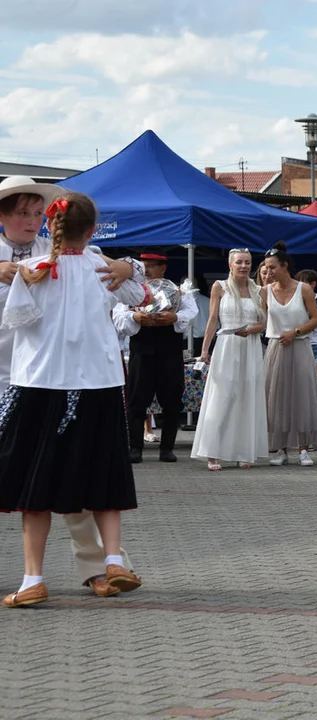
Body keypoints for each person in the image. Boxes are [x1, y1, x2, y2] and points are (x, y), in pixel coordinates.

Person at [0, 192, 145, 607]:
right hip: (98, 383)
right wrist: (127, 267)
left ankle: (33, 579)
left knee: (35, 484)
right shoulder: (102, 265)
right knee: (104, 473)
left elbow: (19, 321)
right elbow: (139, 297)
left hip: (41, 383)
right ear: (93, 230)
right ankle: (113, 560)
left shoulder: (33, 269)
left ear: (50, 225)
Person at [114, 252, 197, 463]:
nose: (147, 270)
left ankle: (167, 448)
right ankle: (135, 447)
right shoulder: (133, 288)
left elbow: (191, 311)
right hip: (141, 350)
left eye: (152, 266)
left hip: (169, 351)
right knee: (136, 401)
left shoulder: (176, 290)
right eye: (145, 265)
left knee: (171, 401)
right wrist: (135, 316)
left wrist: (175, 317)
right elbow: (118, 315)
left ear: (163, 268)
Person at [191, 249, 269, 470]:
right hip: (226, 346)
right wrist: (205, 351)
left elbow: (264, 323)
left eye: (247, 262)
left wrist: (251, 329)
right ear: (230, 265)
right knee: (222, 396)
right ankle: (213, 452)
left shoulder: (258, 290)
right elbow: (213, 319)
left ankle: (244, 450)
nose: (243, 266)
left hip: (250, 346)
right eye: (239, 262)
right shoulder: (220, 287)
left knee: (247, 397)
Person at [262, 242, 317, 467]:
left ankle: (303, 449)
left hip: (299, 345)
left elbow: (315, 319)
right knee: (277, 397)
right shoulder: (265, 291)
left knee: (302, 396)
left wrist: (295, 332)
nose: (269, 272)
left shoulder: (303, 289)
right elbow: (260, 319)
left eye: (272, 267)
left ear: (284, 266)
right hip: (276, 347)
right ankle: (280, 449)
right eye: (266, 268)